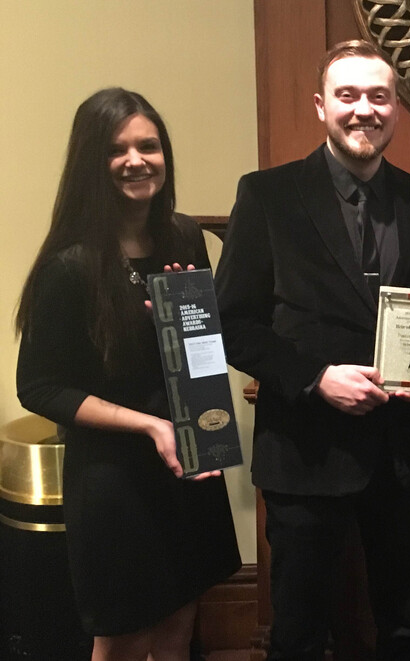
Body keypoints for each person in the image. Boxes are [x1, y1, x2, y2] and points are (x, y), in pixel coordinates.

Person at [215, 40, 410, 660]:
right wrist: (317, 377)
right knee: (297, 629)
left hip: (403, 453)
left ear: (398, 109)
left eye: (379, 96)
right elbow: (232, 325)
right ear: (322, 106)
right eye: (348, 96)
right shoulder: (266, 195)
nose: (364, 110)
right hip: (304, 449)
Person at [16, 87, 240, 661]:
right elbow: (39, 385)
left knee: (180, 621)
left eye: (150, 145)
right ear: (92, 162)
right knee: (122, 635)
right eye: (118, 150)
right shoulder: (68, 266)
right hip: (115, 479)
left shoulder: (184, 235)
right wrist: (147, 425)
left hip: (190, 458)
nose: (137, 160)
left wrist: (186, 329)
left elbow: (200, 350)